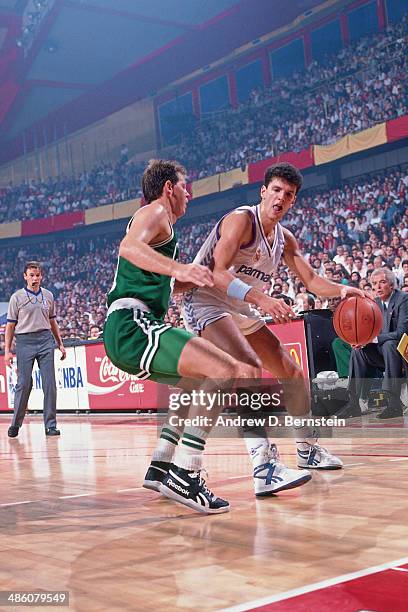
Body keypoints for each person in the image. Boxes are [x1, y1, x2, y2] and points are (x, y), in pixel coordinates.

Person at [172, 161, 363, 497]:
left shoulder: (284, 239)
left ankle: (307, 449)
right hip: (203, 299)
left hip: (238, 304)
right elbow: (217, 271)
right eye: (275, 190)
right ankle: (263, 466)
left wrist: (344, 290)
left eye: (287, 194)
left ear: (293, 202)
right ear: (263, 192)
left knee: (292, 373)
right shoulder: (241, 220)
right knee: (247, 368)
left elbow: (312, 280)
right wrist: (262, 299)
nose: (280, 198)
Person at [103, 159, 259, 515]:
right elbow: (128, 247)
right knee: (224, 370)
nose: (189, 193)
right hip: (132, 324)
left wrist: (199, 275)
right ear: (168, 188)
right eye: (185, 186)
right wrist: (179, 268)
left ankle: (161, 463)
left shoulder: (164, 232)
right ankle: (187, 473)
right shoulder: (155, 211)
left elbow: (166, 282)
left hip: (130, 326)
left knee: (194, 380)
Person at [336, 268, 408, 419]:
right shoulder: (373, 303)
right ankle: (354, 403)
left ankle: (394, 403)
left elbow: (402, 332)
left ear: (392, 284)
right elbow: (368, 332)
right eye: (375, 284)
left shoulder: (403, 299)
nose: (378, 287)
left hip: (401, 354)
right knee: (358, 350)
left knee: (389, 344)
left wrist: (373, 339)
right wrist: (360, 341)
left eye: (382, 282)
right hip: (383, 354)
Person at [6, 262, 66, 438]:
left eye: (37, 275)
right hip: (24, 341)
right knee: (24, 384)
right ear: (25, 276)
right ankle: (16, 424)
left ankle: (50, 425)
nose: (35, 278)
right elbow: (10, 326)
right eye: (31, 275)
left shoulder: (48, 295)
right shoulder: (16, 298)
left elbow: (53, 321)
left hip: (45, 340)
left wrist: (60, 343)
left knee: (50, 383)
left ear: (41, 276)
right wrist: (8, 351)